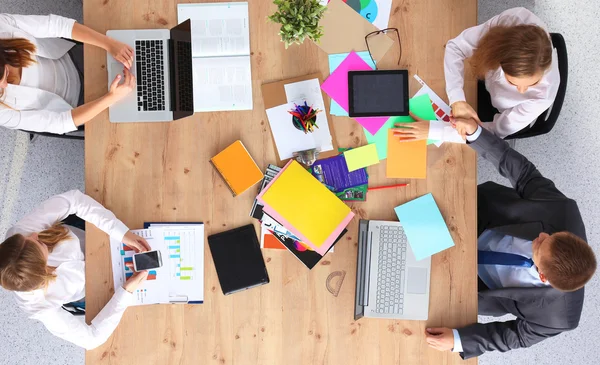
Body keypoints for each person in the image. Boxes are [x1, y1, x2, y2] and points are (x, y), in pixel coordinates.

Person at [423, 117, 597, 359]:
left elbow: (513, 336)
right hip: (468, 218)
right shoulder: (563, 211)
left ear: (543, 274)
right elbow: (523, 172)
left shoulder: (558, 318)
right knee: (395, 216)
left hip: (467, 283)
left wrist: (458, 340)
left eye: (540, 244)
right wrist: (476, 134)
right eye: (553, 236)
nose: (543, 234)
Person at [0, 190, 151, 350]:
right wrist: (125, 292)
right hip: (92, 289)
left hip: (90, 238)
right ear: (43, 269)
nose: (35, 234)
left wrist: (120, 232)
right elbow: (92, 339)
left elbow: (73, 199)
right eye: (39, 243)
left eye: (29, 238)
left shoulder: (21, 236)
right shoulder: (37, 306)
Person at [0, 13, 135, 134]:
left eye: (5, 74)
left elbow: (58, 26)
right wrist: (111, 97)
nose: (5, 85)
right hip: (84, 104)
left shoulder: (2, 26)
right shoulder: (2, 114)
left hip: (77, 57)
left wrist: (109, 43)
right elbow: (60, 123)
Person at [444, 8, 559, 138]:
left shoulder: (543, 95)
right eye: (512, 82)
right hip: (487, 82)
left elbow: (495, 131)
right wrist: (457, 100)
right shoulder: (511, 22)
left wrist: (440, 131)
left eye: (533, 83)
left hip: (504, 114)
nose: (521, 91)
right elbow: (455, 47)